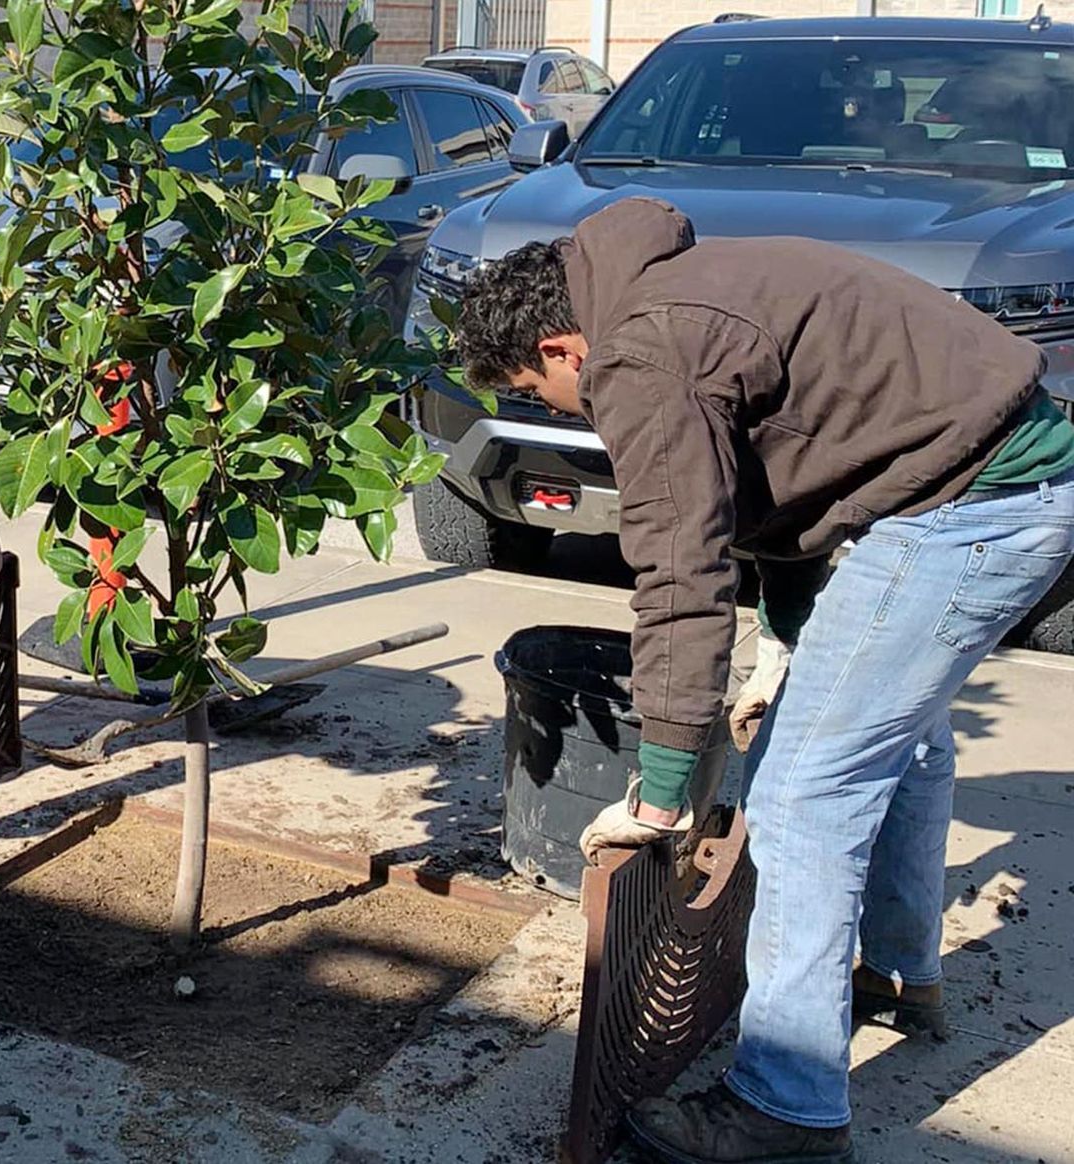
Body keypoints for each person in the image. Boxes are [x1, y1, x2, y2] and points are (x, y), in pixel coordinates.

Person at [451, 198, 1074, 1164]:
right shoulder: (686, 284)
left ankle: (786, 1108)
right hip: (1004, 483)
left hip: (966, 514)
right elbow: (788, 481)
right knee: (901, 737)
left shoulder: (642, 352)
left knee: (799, 798)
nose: (550, 407)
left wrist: (661, 799)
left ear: (563, 345)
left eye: (537, 389)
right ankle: (902, 974)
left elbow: (677, 574)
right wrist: (792, 640)